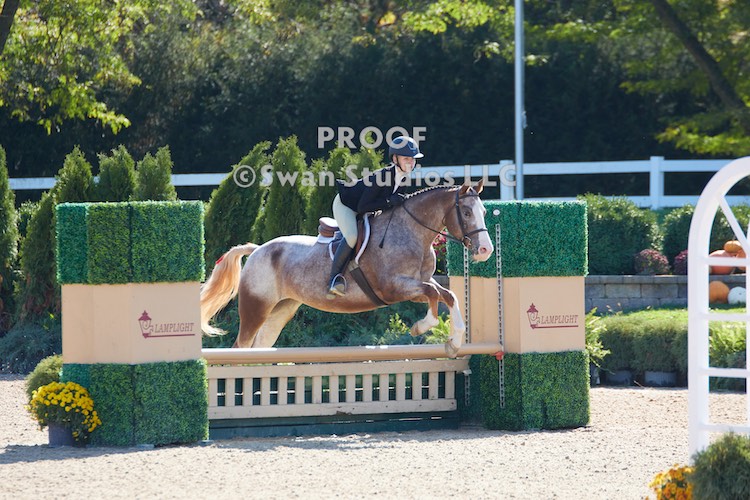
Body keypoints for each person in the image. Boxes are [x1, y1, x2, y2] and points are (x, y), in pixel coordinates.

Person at [326, 135, 423, 298]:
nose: (411, 163)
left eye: (413, 159)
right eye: (406, 159)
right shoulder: (381, 176)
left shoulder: (404, 179)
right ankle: (334, 279)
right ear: (395, 159)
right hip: (347, 205)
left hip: (366, 208)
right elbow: (362, 207)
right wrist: (388, 202)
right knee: (352, 236)